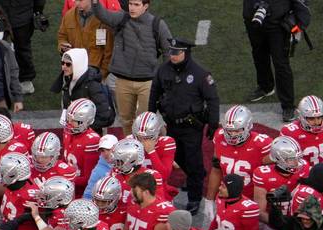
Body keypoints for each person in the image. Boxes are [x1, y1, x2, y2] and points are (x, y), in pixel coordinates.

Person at [149, 39, 219, 213]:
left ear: (186, 53)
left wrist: (213, 123)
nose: (173, 56)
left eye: (177, 53)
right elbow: (154, 93)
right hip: (171, 124)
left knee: (193, 161)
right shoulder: (163, 70)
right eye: (171, 52)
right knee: (177, 158)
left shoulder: (200, 74)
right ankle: (196, 176)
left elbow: (212, 99)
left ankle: (194, 198)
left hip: (191, 127)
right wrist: (150, 116)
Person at [89, 0, 171, 133]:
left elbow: (168, 50)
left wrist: (165, 75)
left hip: (148, 82)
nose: (132, 8)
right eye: (130, 4)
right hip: (123, 81)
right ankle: (130, 148)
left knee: (145, 120)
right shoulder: (122, 18)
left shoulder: (157, 24)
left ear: (145, 6)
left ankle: (156, 142)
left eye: (136, 5)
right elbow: (102, 14)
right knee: (126, 120)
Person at [243, 0, 305, 122]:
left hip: (277, 22)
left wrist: (300, 19)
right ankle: (265, 86)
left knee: (281, 63)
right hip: (253, 18)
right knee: (258, 54)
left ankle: (288, 105)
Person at [57, 0, 113, 80]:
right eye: (75, 0)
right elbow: (62, 36)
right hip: (72, 68)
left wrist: (102, 74)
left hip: (94, 71)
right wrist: (63, 46)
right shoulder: (69, 15)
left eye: (80, 0)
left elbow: (108, 51)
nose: (76, 3)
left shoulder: (103, 19)